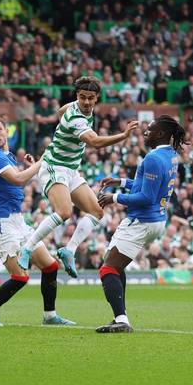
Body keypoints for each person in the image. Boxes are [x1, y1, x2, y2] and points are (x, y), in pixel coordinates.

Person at [19, 76, 137, 276]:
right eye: (82, 97)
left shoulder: (76, 107)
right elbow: (95, 142)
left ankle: (69, 250)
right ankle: (27, 248)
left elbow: (59, 111)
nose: (87, 102)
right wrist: (123, 136)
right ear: (77, 96)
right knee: (64, 212)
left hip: (70, 169)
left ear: (97, 98)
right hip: (54, 166)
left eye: (91, 98)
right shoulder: (76, 118)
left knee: (97, 212)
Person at [0, 117, 75, 327]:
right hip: (4, 224)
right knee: (20, 277)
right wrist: (42, 162)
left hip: (19, 222)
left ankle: (50, 316)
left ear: (7, 131)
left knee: (50, 266)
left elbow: (16, 182)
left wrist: (33, 168)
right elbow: (18, 179)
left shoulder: (8, 156)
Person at [95, 115, 184, 332]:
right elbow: (150, 187)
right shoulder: (170, 155)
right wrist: (122, 182)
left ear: (161, 134)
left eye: (150, 130)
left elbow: (147, 197)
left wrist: (114, 197)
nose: (145, 133)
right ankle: (120, 318)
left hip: (142, 219)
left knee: (107, 269)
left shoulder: (153, 158)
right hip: (155, 220)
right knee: (116, 266)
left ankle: (122, 321)